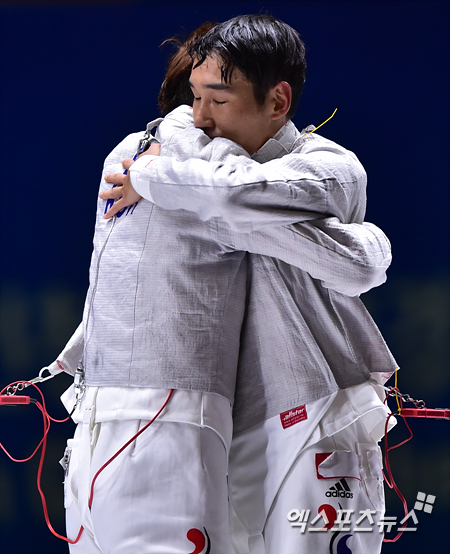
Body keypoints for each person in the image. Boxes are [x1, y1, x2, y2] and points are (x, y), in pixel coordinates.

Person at [102, 14, 397, 554]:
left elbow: (233, 198)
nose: (199, 118)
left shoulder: (331, 166)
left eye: (217, 99)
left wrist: (155, 179)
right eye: (193, 98)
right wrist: (365, 247)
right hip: (234, 427)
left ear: (278, 101)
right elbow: (350, 260)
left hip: (321, 414)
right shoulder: (197, 170)